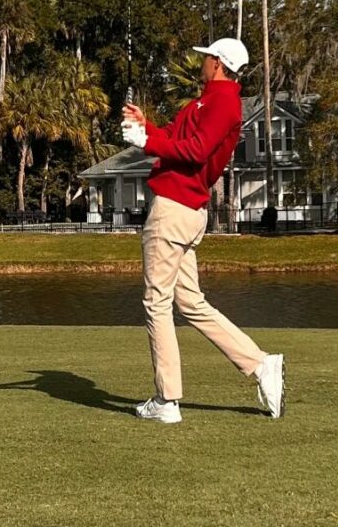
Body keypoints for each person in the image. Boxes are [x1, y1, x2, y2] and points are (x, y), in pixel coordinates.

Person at [121, 38, 285, 423]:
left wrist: (145, 140)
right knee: (191, 303)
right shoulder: (206, 100)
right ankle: (261, 365)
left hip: (175, 209)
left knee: (155, 303)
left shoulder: (223, 101)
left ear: (218, 63)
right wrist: (146, 128)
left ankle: (167, 400)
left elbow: (195, 152)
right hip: (184, 209)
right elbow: (176, 142)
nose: (203, 61)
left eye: (207, 56)